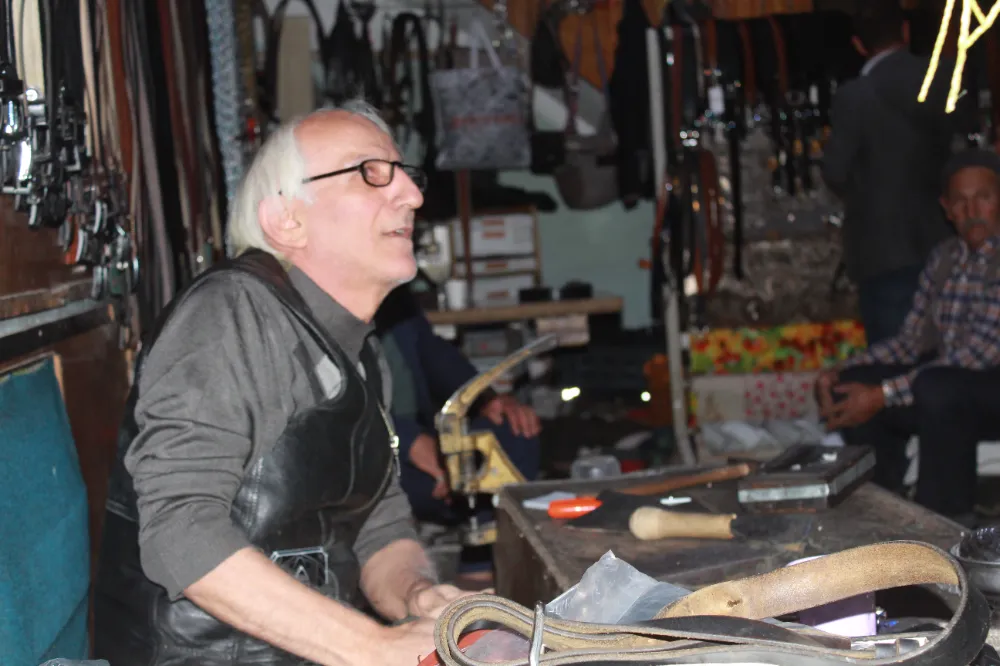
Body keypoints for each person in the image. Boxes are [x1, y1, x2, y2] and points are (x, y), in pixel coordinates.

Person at [93, 101, 478, 666]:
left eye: (406, 175)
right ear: (286, 220)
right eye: (370, 173)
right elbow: (178, 527)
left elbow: (378, 527)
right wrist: (372, 646)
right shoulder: (231, 313)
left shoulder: (364, 353)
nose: (412, 196)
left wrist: (418, 596)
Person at [816, 150, 1000, 523]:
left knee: (936, 386)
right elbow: (910, 341)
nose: (972, 210)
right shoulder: (945, 257)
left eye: (983, 197)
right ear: (946, 209)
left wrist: (883, 394)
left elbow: (981, 354)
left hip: (985, 388)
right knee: (853, 383)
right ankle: (882, 504)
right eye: (960, 201)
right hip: (948, 388)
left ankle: (946, 518)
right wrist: (840, 370)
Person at [821, 2, 973, 344]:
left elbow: (836, 171)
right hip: (943, 239)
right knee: (944, 352)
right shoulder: (946, 78)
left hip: (881, 247)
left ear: (858, 45)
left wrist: (866, 193)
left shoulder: (854, 97)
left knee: (892, 355)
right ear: (905, 31)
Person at [375, 285, 541, 529]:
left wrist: (486, 398)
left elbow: (433, 354)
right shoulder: (326, 311)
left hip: (423, 429)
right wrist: (406, 441)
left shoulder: (394, 297)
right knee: (426, 482)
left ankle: (486, 545)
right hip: (369, 445)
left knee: (514, 432)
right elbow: (336, 408)